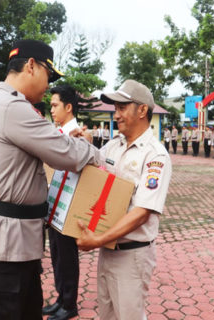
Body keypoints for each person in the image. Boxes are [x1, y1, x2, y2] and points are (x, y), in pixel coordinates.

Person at [0, 39, 101, 320]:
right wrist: (91, 148)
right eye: (48, 75)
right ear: (30, 66)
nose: (48, 85)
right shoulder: (13, 108)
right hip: (3, 246)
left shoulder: (6, 103)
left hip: (12, 242)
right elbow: (65, 154)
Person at [76, 79, 172, 320]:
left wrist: (97, 239)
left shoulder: (155, 155)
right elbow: (94, 171)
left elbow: (142, 212)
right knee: (107, 315)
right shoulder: (113, 146)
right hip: (108, 250)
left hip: (132, 255)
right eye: (115, 108)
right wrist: (84, 144)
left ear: (142, 110)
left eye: (122, 107)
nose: (116, 114)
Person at [44, 84, 80, 320]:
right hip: (55, 203)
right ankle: (60, 298)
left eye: (55, 105)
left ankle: (69, 304)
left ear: (68, 107)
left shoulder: (77, 136)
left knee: (67, 256)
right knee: (57, 254)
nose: (52, 110)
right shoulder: (59, 134)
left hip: (69, 205)